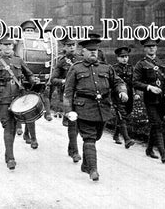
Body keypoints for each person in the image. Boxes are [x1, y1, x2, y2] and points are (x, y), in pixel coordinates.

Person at [63, 37, 128, 181]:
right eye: (90, 51)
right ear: (83, 52)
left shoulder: (106, 68)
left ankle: (86, 165)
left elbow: (118, 82)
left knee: (96, 136)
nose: (93, 53)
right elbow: (68, 91)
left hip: (102, 109)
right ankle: (93, 170)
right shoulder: (76, 68)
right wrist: (69, 112)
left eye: (95, 50)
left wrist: (122, 91)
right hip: (83, 109)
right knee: (89, 138)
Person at [0, 36, 40, 170]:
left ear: (13, 46)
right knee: (8, 127)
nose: (8, 48)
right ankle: (11, 158)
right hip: (3, 99)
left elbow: (29, 75)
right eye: (5, 45)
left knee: (14, 127)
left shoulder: (18, 60)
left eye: (10, 45)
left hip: (18, 99)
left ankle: (8, 153)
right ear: (0, 46)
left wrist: (34, 80)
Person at [133, 38, 165, 163]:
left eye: (154, 46)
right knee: (157, 124)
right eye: (149, 46)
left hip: (163, 99)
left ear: (156, 48)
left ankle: (149, 149)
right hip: (150, 100)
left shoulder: (162, 61)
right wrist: (149, 87)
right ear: (144, 48)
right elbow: (135, 82)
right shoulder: (140, 64)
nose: (152, 48)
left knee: (156, 124)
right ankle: (163, 152)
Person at [50, 34, 83, 163]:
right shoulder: (62, 61)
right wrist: (64, 81)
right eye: (69, 45)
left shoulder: (81, 59)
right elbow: (53, 79)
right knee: (72, 123)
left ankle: (71, 148)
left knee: (79, 125)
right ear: (64, 47)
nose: (71, 47)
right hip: (68, 96)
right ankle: (75, 152)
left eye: (73, 45)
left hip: (81, 95)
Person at [112, 46, 137, 148]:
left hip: (129, 94)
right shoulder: (113, 69)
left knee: (126, 114)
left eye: (126, 56)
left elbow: (134, 82)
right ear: (117, 58)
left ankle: (116, 134)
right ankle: (127, 139)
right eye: (122, 57)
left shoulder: (131, 68)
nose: (124, 59)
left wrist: (136, 93)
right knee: (121, 115)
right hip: (117, 95)